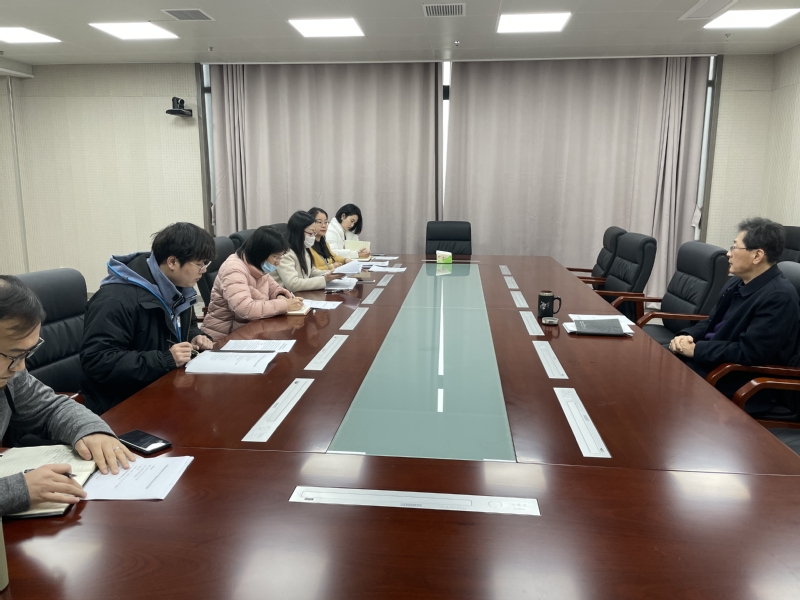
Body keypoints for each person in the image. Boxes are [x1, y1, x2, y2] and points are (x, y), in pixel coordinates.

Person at [0, 276, 135, 516]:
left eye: (27, 353)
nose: (20, 367)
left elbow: (50, 409)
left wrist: (91, 430)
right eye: (13, 355)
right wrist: (18, 490)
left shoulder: (10, 375)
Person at [81, 222, 216, 414]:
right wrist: (164, 360)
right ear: (172, 262)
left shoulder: (179, 289)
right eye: (199, 264)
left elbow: (187, 325)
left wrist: (195, 336)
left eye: (205, 264)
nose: (203, 271)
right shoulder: (114, 300)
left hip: (165, 387)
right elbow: (98, 360)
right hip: (123, 404)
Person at [669, 218, 800, 396]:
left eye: (734, 247)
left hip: (734, 378)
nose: (728, 254)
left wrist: (697, 350)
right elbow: (711, 321)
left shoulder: (779, 297)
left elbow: (749, 353)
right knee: (655, 362)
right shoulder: (737, 282)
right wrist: (687, 336)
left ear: (757, 256)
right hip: (711, 360)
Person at [202, 226, 304, 341]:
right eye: (275, 257)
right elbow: (245, 309)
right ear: (261, 252)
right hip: (225, 337)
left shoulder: (257, 265)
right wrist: (284, 305)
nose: (278, 263)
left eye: (280, 258)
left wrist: (280, 296)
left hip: (251, 330)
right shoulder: (234, 269)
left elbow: (274, 287)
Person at [272, 211, 343, 293]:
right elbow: (293, 284)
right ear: (298, 232)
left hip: (301, 293)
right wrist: (323, 279)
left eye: (314, 233)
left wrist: (332, 274)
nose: (313, 237)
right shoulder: (284, 253)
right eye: (310, 233)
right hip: (285, 296)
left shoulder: (303, 248)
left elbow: (311, 272)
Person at [307, 207, 356, 271]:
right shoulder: (307, 245)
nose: (324, 225)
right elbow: (310, 271)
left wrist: (346, 260)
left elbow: (334, 257)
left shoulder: (324, 244)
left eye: (325, 222)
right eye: (319, 222)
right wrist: (331, 266)